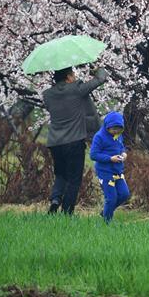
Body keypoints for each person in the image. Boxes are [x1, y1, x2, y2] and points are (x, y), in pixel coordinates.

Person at [42, 65, 108, 214]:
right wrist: (95, 68)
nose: (75, 77)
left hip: (55, 142)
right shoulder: (76, 89)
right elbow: (101, 78)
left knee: (61, 174)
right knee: (74, 178)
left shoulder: (47, 94)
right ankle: (67, 211)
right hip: (74, 141)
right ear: (68, 77)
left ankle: (55, 199)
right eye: (73, 75)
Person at [90, 111, 130, 223]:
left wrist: (124, 154)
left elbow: (121, 147)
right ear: (107, 126)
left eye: (119, 128)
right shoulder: (99, 137)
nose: (116, 131)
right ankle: (107, 223)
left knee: (124, 194)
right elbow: (93, 155)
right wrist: (110, 158)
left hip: (118, 171)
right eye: (113, 129)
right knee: (111, 198)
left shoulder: (118, 135)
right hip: (105, 172)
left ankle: (106, 212)